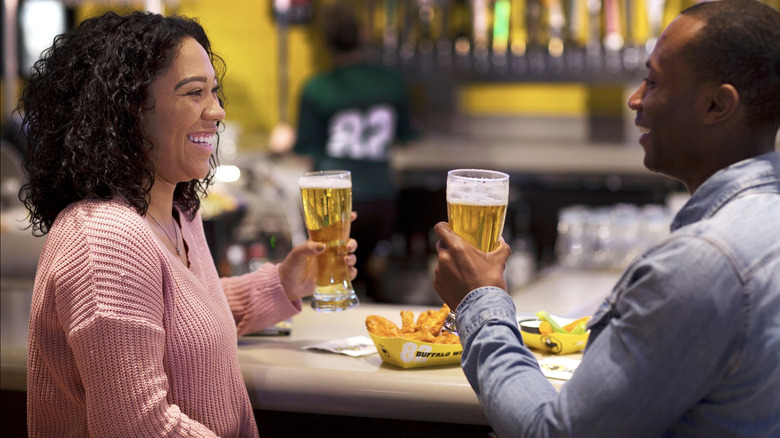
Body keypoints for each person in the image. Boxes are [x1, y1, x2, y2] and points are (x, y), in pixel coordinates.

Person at [433, 1, 780, 436]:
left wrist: (479, 300)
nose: (635, 99)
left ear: (716, 105)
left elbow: (555, 433)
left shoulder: (702, 265)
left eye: (653, 81)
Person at [19, 11, 357, 437]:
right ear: (128, 110)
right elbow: (138, 427)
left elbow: (182, 326)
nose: (216, 111)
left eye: (214, 92)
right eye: (194, 93)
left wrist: (283, 284)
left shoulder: (177, 212)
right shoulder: (105, 238)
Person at [292, 1, 415, 302]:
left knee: (334, 277)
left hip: (334, 203)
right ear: (363, 35)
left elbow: (305, 150)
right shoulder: (391, 82)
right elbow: (405, 137)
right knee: (372, 281)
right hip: (383, 199)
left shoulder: (317, 88)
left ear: (325, 41)